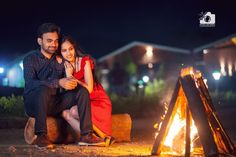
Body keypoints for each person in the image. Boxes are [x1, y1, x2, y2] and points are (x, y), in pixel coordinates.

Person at [23, 23, 104, 149]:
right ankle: (41, 136)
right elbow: (30, 83)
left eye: (55, 41)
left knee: (81, 91)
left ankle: (86, 135)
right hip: (34, 104)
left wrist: (69, 77)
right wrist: (58, 82)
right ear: (40, 41)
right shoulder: (30, 59)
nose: (53, 44)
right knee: (42, 89)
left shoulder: (60, 59)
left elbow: (69, 77)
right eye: (49, 41)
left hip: (55, 103)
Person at [59, 35, 114, 146]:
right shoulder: (62, 65)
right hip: (80, 102)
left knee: (74, 111)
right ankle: (90, 137)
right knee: (65, 113)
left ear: (74, 48)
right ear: (60, 52)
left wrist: (71, 76)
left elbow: (89, 89)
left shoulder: (84, 61)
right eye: (64, 50)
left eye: (70, 49)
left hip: (96, 100)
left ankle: (103, 136)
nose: (68, 53)